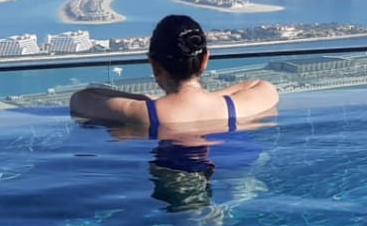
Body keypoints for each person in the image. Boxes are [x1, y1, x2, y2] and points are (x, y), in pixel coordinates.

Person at [68, 14, 280, 136]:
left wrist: (145, 100)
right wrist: (209, 97)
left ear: (155, 65)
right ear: (205, 60)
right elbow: (260, 85)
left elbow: (81, 98)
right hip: (233, 179)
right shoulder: (237, 108)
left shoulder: (140, 113)